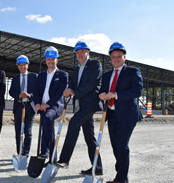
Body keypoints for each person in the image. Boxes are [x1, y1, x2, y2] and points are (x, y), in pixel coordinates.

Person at [57, 41, 103, 176]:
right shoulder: (77, 68)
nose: (79, 54)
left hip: (90, 104)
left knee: (73, 123)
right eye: (77, 52)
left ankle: (64, 160)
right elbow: (74, 84)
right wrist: (69, 89)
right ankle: (97, 167)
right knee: (90, 137)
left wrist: (75, 92)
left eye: (82, 52)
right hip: (80, 105)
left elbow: (92, 84)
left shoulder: (95, 64)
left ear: (87, 52)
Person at [99, 42, 143, 183]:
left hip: (127, 114)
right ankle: (123, 176)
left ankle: (121, 179)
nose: (116, 59)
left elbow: (137, 91)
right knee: (115, 145)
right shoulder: (106, 75)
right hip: (112, 114)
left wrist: (116, 94)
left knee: (122, 145)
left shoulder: (133, 71)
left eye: (119, 56)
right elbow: (102, 90)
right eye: (113, 57)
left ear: (124, 57)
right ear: (110, 58)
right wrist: (102, 95)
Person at [33, 46, 68, 162]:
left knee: (48, 118)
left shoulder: (63, 75)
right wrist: (37, 103)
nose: (50, 61)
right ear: (46, 60)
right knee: (47, 127)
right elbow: (36, 90)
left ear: (57, 60)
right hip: (42, 106)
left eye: (53, 59)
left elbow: (59, 93)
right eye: (48, 59)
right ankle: (52, 157)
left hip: (54, 106)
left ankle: (45, 151)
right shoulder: (41, 76)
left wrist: (48, 104)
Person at [9, 55, 38, 157]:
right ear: (17, 66)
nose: (22, 67)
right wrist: (18, 95)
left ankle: (25, 153)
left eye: (24, 65)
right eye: (20, 65)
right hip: (18, 106)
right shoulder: (15, 78)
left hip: (30, 106)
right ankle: (19, 152)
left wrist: (29, 95)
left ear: (28, 65)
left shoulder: (34, 76)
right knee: (18, 131)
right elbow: (11, 91)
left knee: (28, 132)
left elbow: (38, 91)